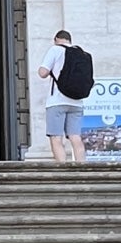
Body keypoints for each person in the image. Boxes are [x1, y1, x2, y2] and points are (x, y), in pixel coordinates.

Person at [38, 28, 91, 163]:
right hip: (77, 102)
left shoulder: (55, 50)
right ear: (69, 40)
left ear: (56, 40)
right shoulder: (82, 54)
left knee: (56, 137)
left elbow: (43, 73)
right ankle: (81, 168)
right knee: (75, 137)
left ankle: (62, 170)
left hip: (57, 101)